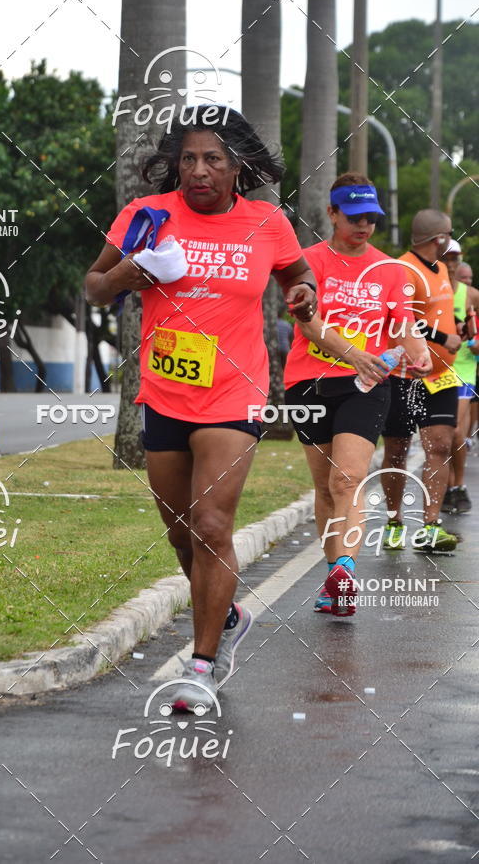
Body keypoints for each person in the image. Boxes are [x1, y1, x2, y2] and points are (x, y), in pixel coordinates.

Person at [85, 106, 318, 712]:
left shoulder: (266, 222)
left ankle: (203, 664)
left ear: (237, 166)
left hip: (235, 393)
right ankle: (227, 613)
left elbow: (297, 276)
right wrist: (124, 277)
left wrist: (302, 293)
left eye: (213, 158)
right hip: (165, 391)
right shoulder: (149, 216)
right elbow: (93, 284)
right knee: (182, 533)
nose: (198, 170)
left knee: (213, 524)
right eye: (188, 158)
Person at [284, 173, 430, 616]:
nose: (364, 225)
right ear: (332, 214)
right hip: (308, 383)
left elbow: (403, 326)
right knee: (325, 488)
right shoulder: (306, 262)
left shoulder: (389, 270)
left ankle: (346, 570)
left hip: (366, 386)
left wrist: (419, 354)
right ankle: (333, 580)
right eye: (355, 217)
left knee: (346, 478)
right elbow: (308, 323)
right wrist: (354, 354)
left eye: (372, 218)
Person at [381, 210, 461, 551]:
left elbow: (436, 313)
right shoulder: (404, 269)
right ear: (437, 239)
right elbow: (403, 320)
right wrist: (443, 340)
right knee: (397, 451)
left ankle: (430, 525)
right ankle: (394, 521)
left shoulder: (442, 268)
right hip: (404, 375)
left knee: (440, 447)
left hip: (441, 377)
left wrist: (456, 329)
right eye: (449, 234)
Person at [441, 241, 479, 514]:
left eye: (456, 257)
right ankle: (447, 487)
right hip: (436, 368)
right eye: (447, 257)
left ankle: (458, 485)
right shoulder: (431, 290)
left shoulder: (471, 295)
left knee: (456, 432)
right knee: (442, 435)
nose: (452, 263)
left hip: (464, 368)